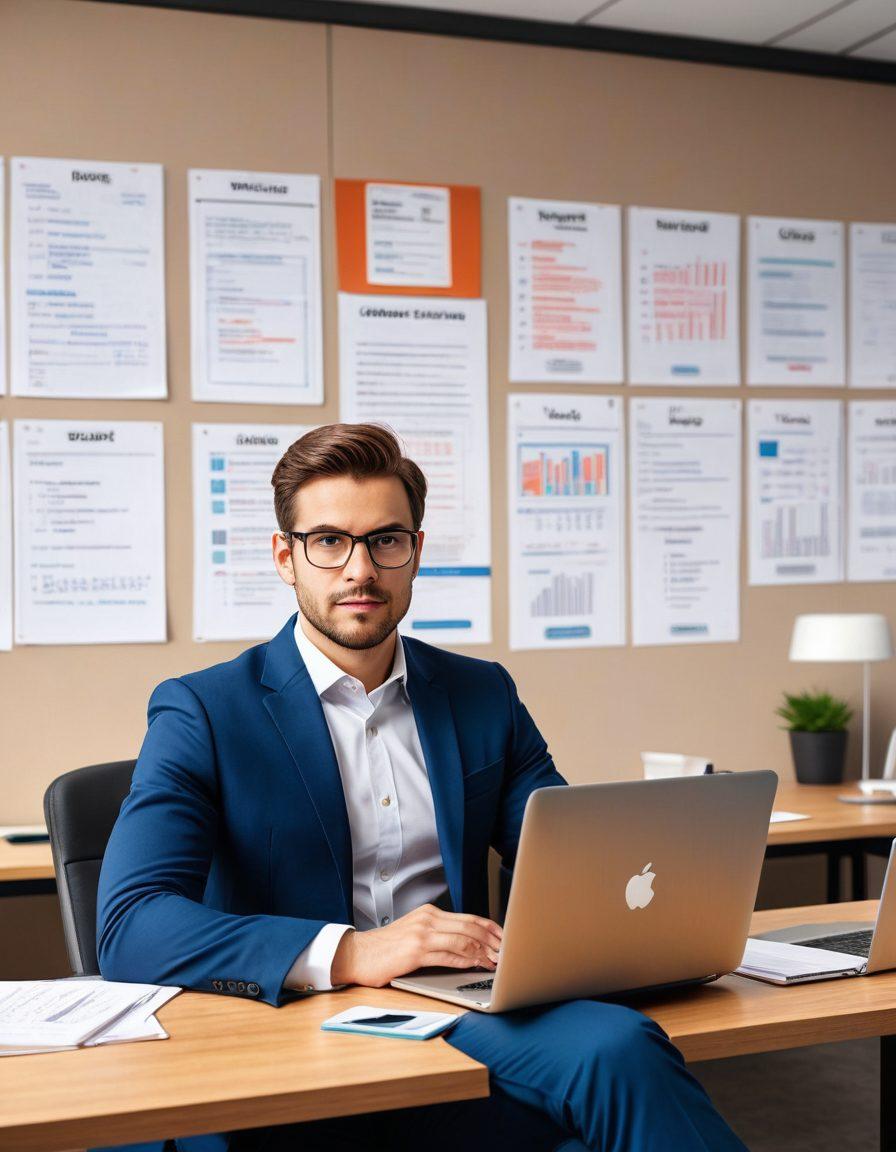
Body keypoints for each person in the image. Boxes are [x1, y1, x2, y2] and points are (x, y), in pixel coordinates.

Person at [97, 423, 747, 1152]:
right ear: (286, 557)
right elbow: (132, 926)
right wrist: (352, 953)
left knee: (619, 1049)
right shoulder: (206, 711)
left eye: (385, 541)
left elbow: (566, 862)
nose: (359, 569)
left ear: (415, 552)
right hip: (296, 1018)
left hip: (462, 1006)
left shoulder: (481, 694)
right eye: (329, 542)